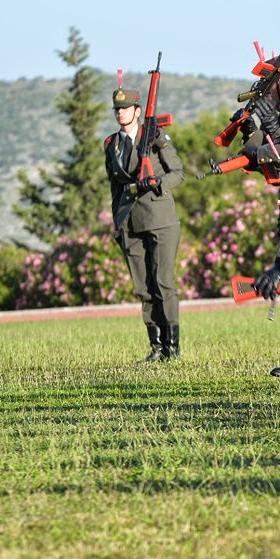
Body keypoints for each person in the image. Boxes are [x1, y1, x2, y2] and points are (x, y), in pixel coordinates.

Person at [104, 85, 185, 362]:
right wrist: (117, 223)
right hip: (130, 221)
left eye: (125, 108)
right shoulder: (111, 144)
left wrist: (157, 183)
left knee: (162, 282)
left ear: (138, 111)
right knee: (143, 286)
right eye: (117, 109)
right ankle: (157, 346)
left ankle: (172, 347)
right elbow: (115, 188)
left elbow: (178, 173)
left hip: (160, 218)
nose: (120, 112)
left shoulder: (155, 139)